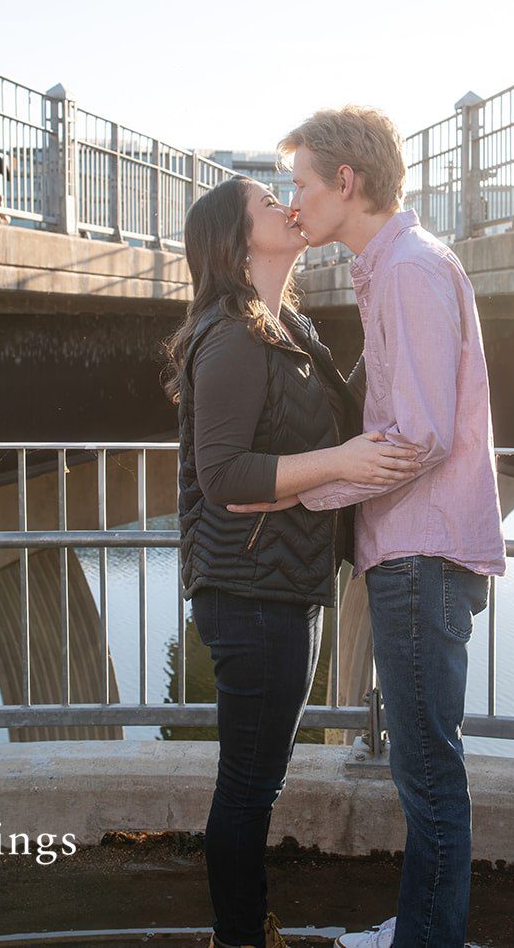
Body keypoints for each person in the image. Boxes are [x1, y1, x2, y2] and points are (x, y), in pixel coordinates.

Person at [231, 107, 506, 948]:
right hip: (412, 551)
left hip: (418, 553)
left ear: (345, 183)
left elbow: (417, 434)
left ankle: (428, 942)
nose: (293, 199)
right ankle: (423, 929)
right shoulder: (395, 269)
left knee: (426, 771)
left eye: (301, 182)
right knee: (423, 766)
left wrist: (299, 493)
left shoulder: (410, 272)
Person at [163, 177, 421, 948]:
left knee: (254, 779)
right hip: (249, 593)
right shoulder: (236, 336)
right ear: (239, 243)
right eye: (266, 205)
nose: (286, 206)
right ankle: (240, 936)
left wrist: (400, 304)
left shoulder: (287, 329)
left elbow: (347, 413)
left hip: (279, 585)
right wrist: (339, 458)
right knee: (248, 784)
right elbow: (226, 475)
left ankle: (243, 929)